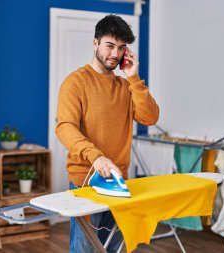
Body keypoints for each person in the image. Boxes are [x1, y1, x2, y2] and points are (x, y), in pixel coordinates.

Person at [55, 14, 160, 252]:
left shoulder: (126, 87)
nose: (115, 54)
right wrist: (96, 156)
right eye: (110, 45)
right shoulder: (75, 83)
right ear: (95, 43)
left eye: (121, 48)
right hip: (85, 181)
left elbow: (150, 117)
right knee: (85, 249)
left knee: (112, 247)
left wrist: (133, 77)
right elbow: (65, 127)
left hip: (118, 181)